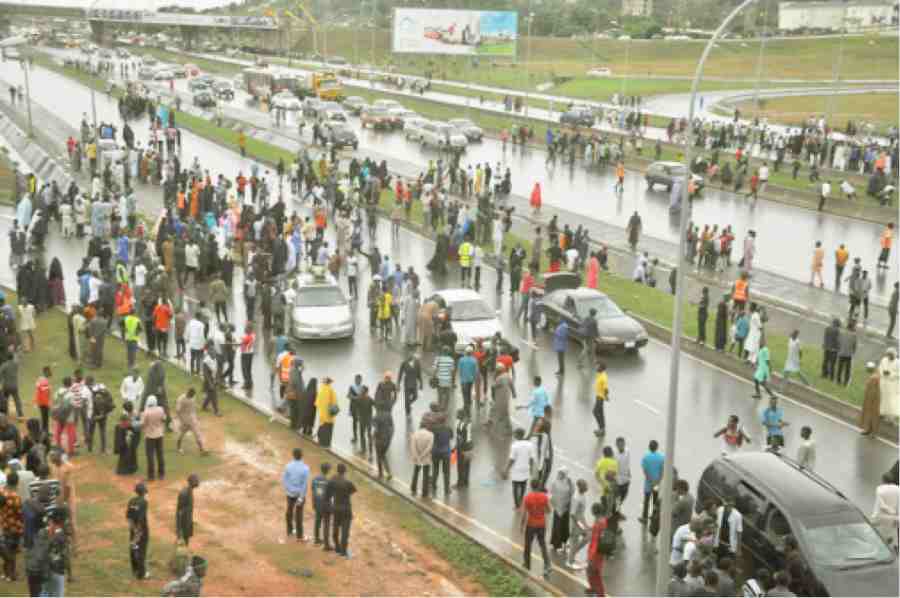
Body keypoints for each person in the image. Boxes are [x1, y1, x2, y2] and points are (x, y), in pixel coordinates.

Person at [520, 478, 551, 579]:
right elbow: (549, 510)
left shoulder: (527, 497)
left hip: (531, 524)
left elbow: (524, 514)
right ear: (539, 486)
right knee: (542, 544)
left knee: (528, 545)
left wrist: (521, 525)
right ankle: (547, 564)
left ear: (531, 486)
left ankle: (527, 564)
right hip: (541, 524)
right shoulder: (544, 497)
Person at [325, 463, 356, 558]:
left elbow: (327, 494)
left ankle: (337, 547)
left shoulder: (332, 481)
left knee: (335, 528)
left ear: (337, 470)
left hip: (336, 508)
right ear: (344, 471)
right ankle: (343, 551)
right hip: (346, 509)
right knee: (345, 531)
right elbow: (352, 491)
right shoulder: (348, 482)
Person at [282, 448, 310, 542]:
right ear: (302, 456)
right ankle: (300, 536)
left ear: (293, 455)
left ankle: (289, 531)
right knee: (299, 515)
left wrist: (289, 489)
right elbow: (305, 484)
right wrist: (301, 497)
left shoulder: (288, 466)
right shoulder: (305, 468)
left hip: (290, 494)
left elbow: (285, 480)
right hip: (299, 495)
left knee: (289, 512)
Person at [0, 470, 23, 582]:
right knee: (12, 551)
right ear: (17, 482)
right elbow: (20, 513)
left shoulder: (2, 493)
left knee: (6, 549)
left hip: (4, 524)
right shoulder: (15, 496)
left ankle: (5, 573)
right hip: (14, 527)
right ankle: (12, 574)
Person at [126, 482, 149, 580]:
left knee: (134, 548)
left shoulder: (131, 501)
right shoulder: (144, 502)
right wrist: (138, 533)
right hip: (141, 531)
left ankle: (135, 570)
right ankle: (141, 574)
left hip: (132, 529)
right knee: (141, 551)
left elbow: (128, 517)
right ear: (144, 492)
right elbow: (140, 518)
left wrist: (133, 529)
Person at [871, 472, 899, 549]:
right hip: (894, 517)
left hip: (881, 516)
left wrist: (874, 518)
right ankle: (895, 548)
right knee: (893, 535)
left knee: (878, 534)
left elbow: (881, 505)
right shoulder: (898, 489)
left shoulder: (879, 489)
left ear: (883, 480)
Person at [566, 479, 590, 569]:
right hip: (576, 523)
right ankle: (570, 561)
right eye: (585, 486)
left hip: (581, 520)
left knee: (588, 536)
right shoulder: (577, 498)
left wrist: (585, 524)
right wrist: (581, 525)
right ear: (580, 487)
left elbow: (581, 513)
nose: (587, 488)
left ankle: (572, 553)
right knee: (574, 542)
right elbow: (572, 514)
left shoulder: (582, 494)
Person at [140, 396, 165, 481]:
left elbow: (142, 424)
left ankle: (151, 476)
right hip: (159, 434)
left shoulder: (146, 412)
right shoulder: (161, 409)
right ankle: (161, 474)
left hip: (150, 436)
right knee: (160, 454)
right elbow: (164, 419)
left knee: (150, 456)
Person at [639, 440, 664, 524]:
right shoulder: (661, 457)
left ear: (649, 447)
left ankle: (644, 518)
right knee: (655, 500)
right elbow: (662, 471)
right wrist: (657, 481)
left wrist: (650, 481)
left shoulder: (646, 457)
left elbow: (645, 471)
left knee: (646, 501)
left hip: (648, 483)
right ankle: (654, 516)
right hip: (657, 483)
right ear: (657, 447)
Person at [549, 468, 574, 553]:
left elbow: (572, 493)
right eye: (559, 473)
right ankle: (556, 544)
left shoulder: (569, 483)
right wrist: (554, 504)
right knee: (557, 526)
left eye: (562, 473)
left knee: (564, 526)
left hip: (565, 508)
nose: (560, 474)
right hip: (558, 507)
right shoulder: (555, 482)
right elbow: (551, 494)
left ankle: (564, 542)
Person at [175, 389, 206, 455]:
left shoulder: (193, 398)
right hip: (184, 420)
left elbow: (193, 408)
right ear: (188, 393)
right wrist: (181, 420)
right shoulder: (181, 399)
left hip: (192, 420)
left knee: (197, 434)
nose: (192, 396)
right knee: (181, 434)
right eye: (191, 395)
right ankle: (179, 448)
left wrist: (196, 417)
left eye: (192, 396)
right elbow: (178, 411)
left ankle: (202, 450)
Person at [714, 494, 743, 560]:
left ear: (733, 505)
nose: (728, 507)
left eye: (731, 505)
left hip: (728, 545)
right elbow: (715, 524)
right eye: (727, 505)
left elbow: (739, 532)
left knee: (725, 562)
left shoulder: (738, 516)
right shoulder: (720, 510)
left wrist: (739, 549)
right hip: (717, 541)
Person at [310, 462, 332, 549]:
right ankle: (326, 544)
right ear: (328, 470)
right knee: (326, 523)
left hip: (317, 503)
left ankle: (316, 540)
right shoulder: (328, 482)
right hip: (325, 505)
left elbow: (313, 490)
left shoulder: (315, 479)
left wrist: (314, 502)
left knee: (317, 521)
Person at [176, 474, 199, 547]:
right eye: (196, 481)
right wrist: (179, 529)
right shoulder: (184, 493)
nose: (198, 482)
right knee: (183, 540)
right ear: (191, 482)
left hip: (187, 519)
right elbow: (179, 512)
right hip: (183, 521)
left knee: (186, 539)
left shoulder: (190, 491)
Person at [594, 446, 618, 516]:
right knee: (609, 507)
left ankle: (602, 519)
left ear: (604, 454)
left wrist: (603, 483)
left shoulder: (600, 462)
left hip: (604, 489)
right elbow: (614, 475)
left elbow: (596, 475)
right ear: (611, 453)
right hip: (611, 489)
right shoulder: (614, 463)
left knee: (603, 505)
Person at [315, 377, 338, 448]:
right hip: (329, 414)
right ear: (330, 383)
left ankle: (321, 443)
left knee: (322, 427)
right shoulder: (331, 390)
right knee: (328, 429)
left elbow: (317, 403)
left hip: (322, 414)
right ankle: (327, 444)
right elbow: (334, 402)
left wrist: (322, 409)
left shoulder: (321, 390)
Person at [860, 362, 882, 436]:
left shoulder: (874, 377)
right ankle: (868, 429)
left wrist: (869, 400)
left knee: (873, 415)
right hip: (870, 398)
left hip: (873, 399)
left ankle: (874, 432)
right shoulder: (874, 375)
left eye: (867, 369)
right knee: (869, 414)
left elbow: (873, 390)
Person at [593, 362, 609, 437]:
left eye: (597, 366)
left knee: (595, 412)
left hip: (600, 397)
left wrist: (606, 396)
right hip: (598, 396)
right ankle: (602, 429)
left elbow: (606, 388)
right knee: (600, 413)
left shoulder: (603, 377)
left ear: (601, 368)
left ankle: (601, 429)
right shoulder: (600, 373)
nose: (596, 367)